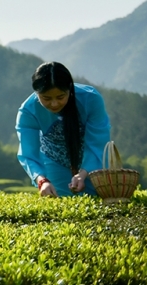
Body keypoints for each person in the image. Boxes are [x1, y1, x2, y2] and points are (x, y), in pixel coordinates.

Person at [16, 61, 111, 197]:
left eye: (60, 97)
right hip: (54, 160)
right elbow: (28, 154)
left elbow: (98, 142)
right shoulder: (28, 111)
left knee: (100, 202)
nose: (54, 104)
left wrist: (83, 173)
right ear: (37, 93)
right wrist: (42, 180)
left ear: (70, 89)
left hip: (93, 160)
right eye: (46, 98)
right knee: (62, 202)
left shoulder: (90, 99)